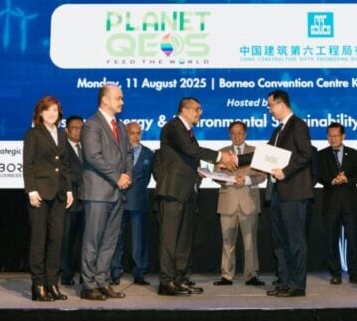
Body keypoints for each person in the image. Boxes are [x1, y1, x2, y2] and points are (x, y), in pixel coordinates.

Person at [153, 97, 238, 296]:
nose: (200, 113)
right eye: (197, 109)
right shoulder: (174, 127)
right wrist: (221, 156)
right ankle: (166, 282)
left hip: (188, 191)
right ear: (185, 109)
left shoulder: (188, 133)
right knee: (170, 240)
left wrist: (202, 170)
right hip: (173, 192)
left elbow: (187, 158)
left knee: (184, 240)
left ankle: (181, 279)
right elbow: (189, 150)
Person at [79, 84, 133, 301]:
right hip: (98, 193)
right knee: (92, 241)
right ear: (105, 100)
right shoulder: (92, 124)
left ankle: (102, 281)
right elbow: (93, 156)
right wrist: (117, 177)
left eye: (122, 98)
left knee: (110, 242)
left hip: (117, 193)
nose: (122, 102)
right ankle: (88, 285)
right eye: (118, 98)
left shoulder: (120, 126)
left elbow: (128, 154)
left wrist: (127, 175)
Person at [261, 89, 314, 298]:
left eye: (270, 105)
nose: (269, 110)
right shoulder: (278, 130)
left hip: (294, 192)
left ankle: (297, 285)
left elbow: (306, 154)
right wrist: (238, 159)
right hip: (277, 193)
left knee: (295, 241)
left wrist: (285, 171)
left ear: (280, 104)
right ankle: (284, 282)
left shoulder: (298, 125)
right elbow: (264, 155)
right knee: (280, 242)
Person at [22, 95, 73, 301]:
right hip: (40, 194)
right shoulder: (33, 134)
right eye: (48, 110)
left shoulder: (62, 134)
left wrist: (68, 190)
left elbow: (65, 164)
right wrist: (31, 190)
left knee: (56, 240)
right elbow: (28, 164)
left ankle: (52, 283)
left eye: (55, 110)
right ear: (40, 113)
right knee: (39, 240)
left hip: (59, 193)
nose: (52, 113)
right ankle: (38, 285)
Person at [213, 121, 267, 286]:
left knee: (250, 242)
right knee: (227, 240)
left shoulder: (255, 152)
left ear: (245, 134)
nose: (237, 136)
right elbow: (215, 175)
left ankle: (251, 275)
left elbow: (262, 175)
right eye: (233, 133)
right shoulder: (222, 153)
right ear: (229, 134)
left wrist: (247, 179)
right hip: (227, 201)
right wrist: (229, 180)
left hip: (248, 202)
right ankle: (226, 275)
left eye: (240, 133)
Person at [316, 122, 357, 285]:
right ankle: (335, 273)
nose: (333, 139)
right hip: (330, 203)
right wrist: (332, 180)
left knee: (353, 240)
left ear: (343, 136)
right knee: (331, 240)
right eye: (330, 136)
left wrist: (347, 179)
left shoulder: (354, 153)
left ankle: (354, 274)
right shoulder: (321, 154)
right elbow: (318, 175)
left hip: (350, 204)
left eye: (336, 136)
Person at [110, 122, 155, 286]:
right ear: (125, 134)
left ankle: (139, 273)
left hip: (139, 201)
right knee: (116, 239)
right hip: (119, 200)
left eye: (138, 133)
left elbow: (147, 178)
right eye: (132, 133)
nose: (136, 136)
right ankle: (114, 272)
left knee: (139, 240)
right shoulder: (117, 151)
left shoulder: (149, 154)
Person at [60, 115, 84, 286]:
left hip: (88, 201)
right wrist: (85, 179)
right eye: (75, 128)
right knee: (68, 240)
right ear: (67, 130)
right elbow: (65, 172)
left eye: (81, 128)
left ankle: (86, 274)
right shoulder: (62, 148)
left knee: (85, 241)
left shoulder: (87, 148)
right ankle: (66, 274)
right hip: (70, 201)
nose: (78, 131)